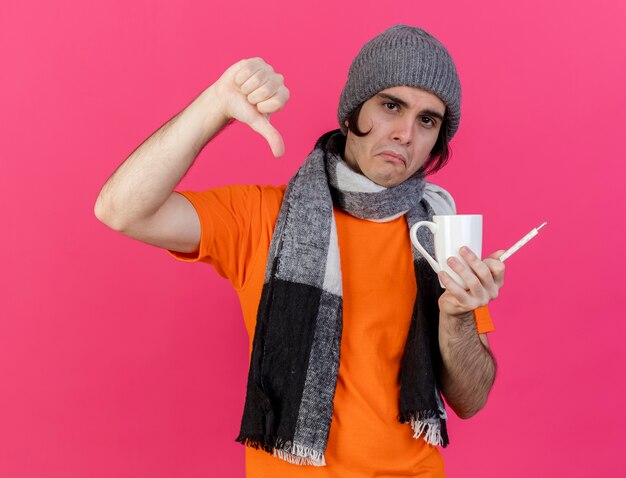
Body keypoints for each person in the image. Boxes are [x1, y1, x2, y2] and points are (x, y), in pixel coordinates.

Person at [95, 24, 506, 477]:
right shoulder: (264, 217)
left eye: (427, 120)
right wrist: (214, 106)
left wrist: (456, 317)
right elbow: (121, 210)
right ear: (352, 113)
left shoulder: (440, 234)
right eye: (391, 106)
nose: (406, 133)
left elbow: (471, 399)